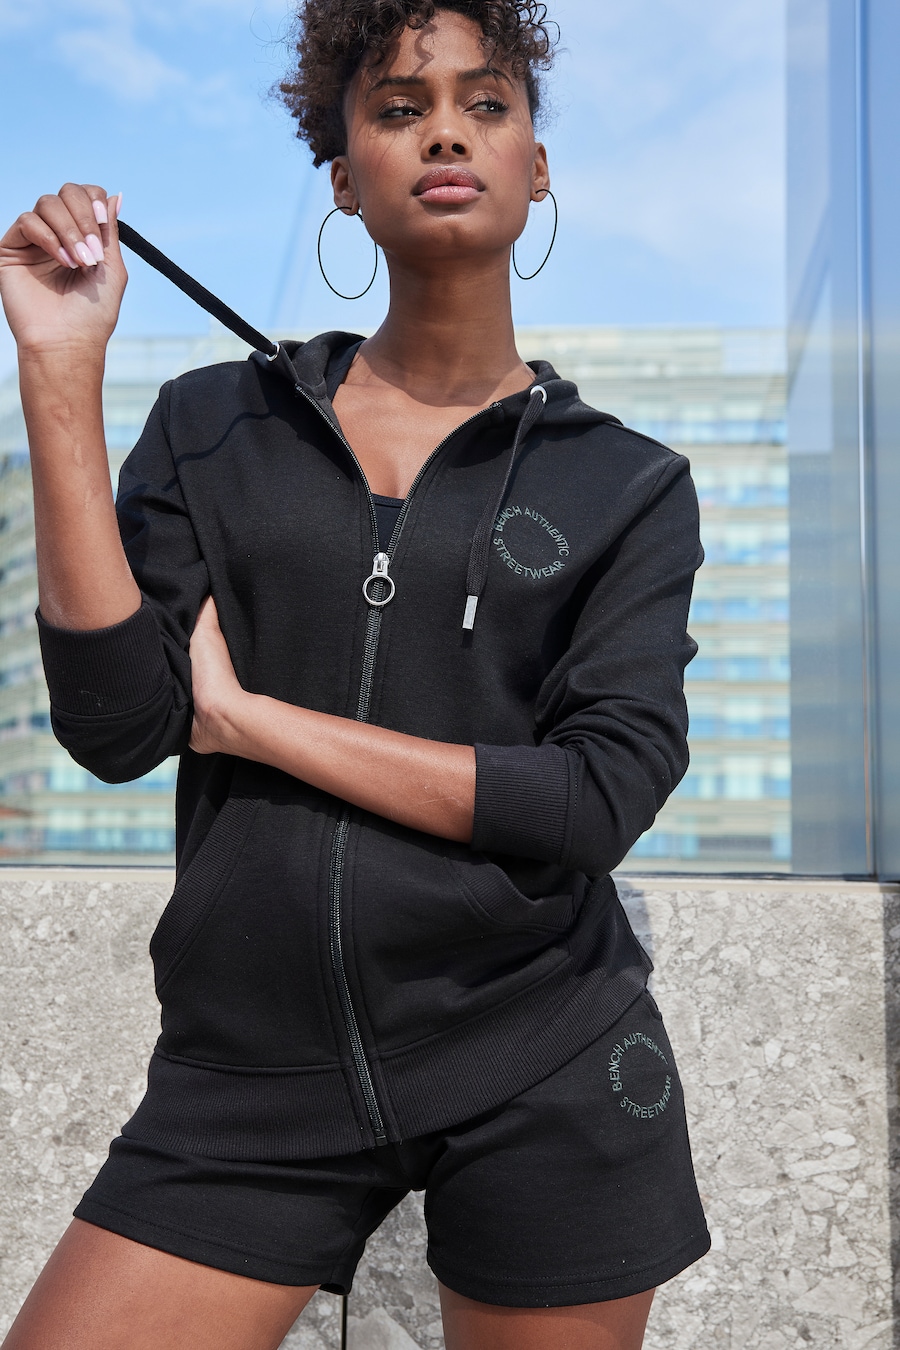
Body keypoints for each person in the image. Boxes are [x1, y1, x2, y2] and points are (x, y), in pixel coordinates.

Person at [0, 2, 710, 1346]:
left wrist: (254, 722)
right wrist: (59, 367)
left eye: (486, 104)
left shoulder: (626, 485)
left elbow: (592, 800)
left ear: (536, 164)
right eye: (397, 107)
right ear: (340, 176)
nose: (446, 130)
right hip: (246, 1077)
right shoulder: (217, 426)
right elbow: (118, 724)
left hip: (545, 1059)